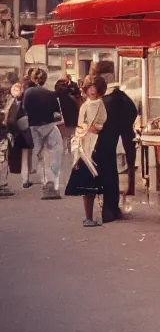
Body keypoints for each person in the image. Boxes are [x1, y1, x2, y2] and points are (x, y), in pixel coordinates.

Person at [94, 61, 138, 221]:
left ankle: (108, 209)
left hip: (104, 142)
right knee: (112, 174)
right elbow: (132, 112)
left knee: (107, 175)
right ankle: (113, 208)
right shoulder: (121, 97)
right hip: (119, 141)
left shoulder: (103, 101)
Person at [65, 76, 107, 227]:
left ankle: (96, 215)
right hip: (85, 147)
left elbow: (100, 124)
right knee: (87, 183)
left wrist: (91, 129)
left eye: (95, 87)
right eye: (90, 87)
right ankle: (89, 217)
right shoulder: (85, 105)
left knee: (96, 183)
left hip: (97, 145)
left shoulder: (100, 104)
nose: (92, 90)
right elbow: (81, 126)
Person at [23, 69, 63, 200]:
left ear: (33, 79)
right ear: (45, 79)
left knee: (40, 157)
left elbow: (24, 110)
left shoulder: (27, 93)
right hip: (50, 127)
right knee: (53, 155)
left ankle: (45, 183)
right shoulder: (50, 94)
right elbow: (57, 114)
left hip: (34, 127)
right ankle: (54, 184)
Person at [55, 73, 82, 151]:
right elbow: (78, 96)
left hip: (62, 116)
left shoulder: (58, 91)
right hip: (72, 115)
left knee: (63, 135)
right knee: (71, 134)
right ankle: (70, 148)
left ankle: (65, 148)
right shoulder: (72, 89)